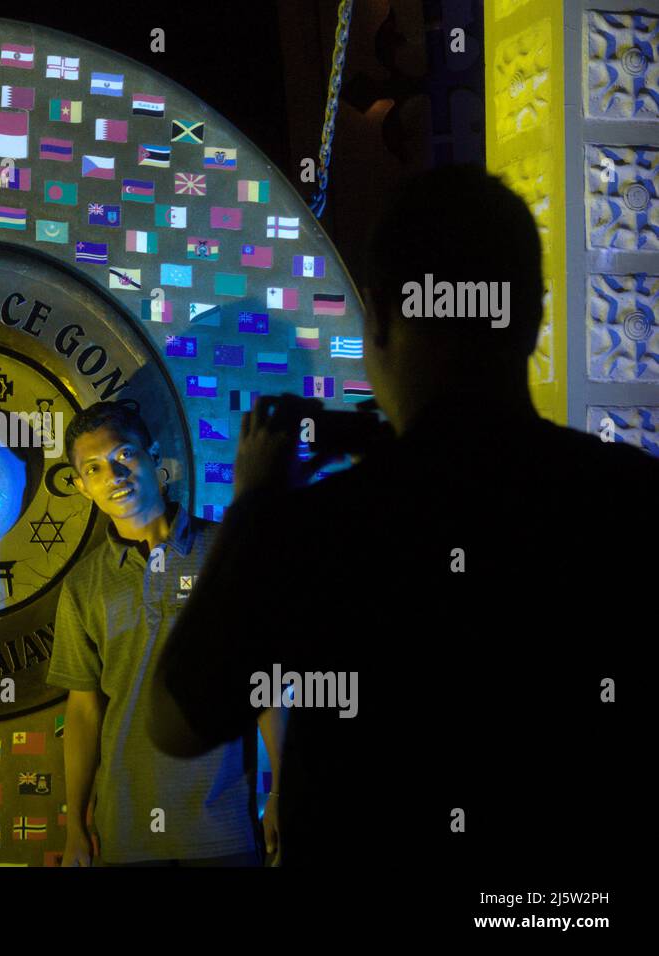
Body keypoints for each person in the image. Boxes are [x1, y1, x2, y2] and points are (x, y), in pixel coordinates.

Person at [148, 164, 655, 867]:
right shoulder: (630, 499)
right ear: (535, 316)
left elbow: (176, 719)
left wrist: (255, 507)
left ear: (381, 317)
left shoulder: (328, 530)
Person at [48, 401, 286, 866]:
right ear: (82, 486)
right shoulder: (82, 586)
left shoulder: (228, 551)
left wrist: (283, 791)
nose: (113, 475)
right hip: (124, 835)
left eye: (124, 456)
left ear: (155, 458)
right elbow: (83, 710)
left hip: (224, 830)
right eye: (94, 468)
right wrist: (75, 823)